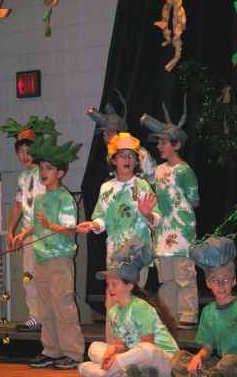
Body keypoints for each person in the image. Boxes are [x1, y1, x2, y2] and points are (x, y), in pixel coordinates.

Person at [77, 132, 162, 343]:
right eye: (122, 155)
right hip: (114, 258)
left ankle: (138, 352)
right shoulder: (106, 188)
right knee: (113, 304)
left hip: (136, 256)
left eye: (131, 156)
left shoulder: (142, 186)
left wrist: (147, 214)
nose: (127, 160)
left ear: (136, 161)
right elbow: (101, 219)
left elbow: (157, 220)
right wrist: (92, 224)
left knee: (134, 302)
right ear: (113, 160)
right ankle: (113, 350)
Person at [13, 134, 85, 369]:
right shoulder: (41, 197)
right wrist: (23, 234)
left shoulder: (64, 198)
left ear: (60, 173)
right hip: (41, 258)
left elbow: (69, 231)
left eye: (49, 169)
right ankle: (51, 350)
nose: (43, 172)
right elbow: (36, 222)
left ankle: (73, 353)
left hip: (59, 259)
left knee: (63, 306)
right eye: (42, 168)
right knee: (45, 308)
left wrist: (49, 224)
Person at [79, 238, 179, 377]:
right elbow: (123, 346)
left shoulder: (140, 306)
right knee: (94, 348)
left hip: (164, 362)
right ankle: (123, 372)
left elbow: (147, 346)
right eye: (108, 285)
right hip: (135, 361)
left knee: (146, 350)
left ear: (129, 286)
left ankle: (104, 372)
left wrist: (117, 359)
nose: (110, 289)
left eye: (115, 285)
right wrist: (114, 348)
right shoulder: (114, 311)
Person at [0, 116, 59, 332]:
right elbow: (17, 205)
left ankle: (49, 317)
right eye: (20, 151)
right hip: (28, 235)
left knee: (48, 278)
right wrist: (11, 231)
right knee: (29, 276)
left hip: (44, 234)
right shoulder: (23, 176)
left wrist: (25, 234)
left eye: (27, 150)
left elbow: (44, 211)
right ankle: (35, 316)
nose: (24, 155)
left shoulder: (43, 174)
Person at [141, 100, 200, 327]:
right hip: (163, 232)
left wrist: (177, 213)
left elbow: (194, 201)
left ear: (176, 145)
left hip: (182, 231)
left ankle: (188, 316)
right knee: (166, 279)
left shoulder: (185, 171)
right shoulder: (159, 170)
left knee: (184, 275)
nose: (160, 146)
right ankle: (170, 316)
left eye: (163, 142)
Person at [171, 236, 237, 377]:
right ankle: (211, 374)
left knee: (228, 363)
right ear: (208, 283)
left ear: (234, 281)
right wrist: (198, 357)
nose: (221, 285)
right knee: (178, 360)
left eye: (226, 280)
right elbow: (208, 349)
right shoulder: (208, 312)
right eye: (215, 281)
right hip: (223, 365)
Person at [87, 89, 157, 190]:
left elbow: (153, 182)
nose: (106, 138)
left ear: (121, 134)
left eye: (110, 133)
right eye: (104, 133)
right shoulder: (111, 155)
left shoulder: (141, 154)